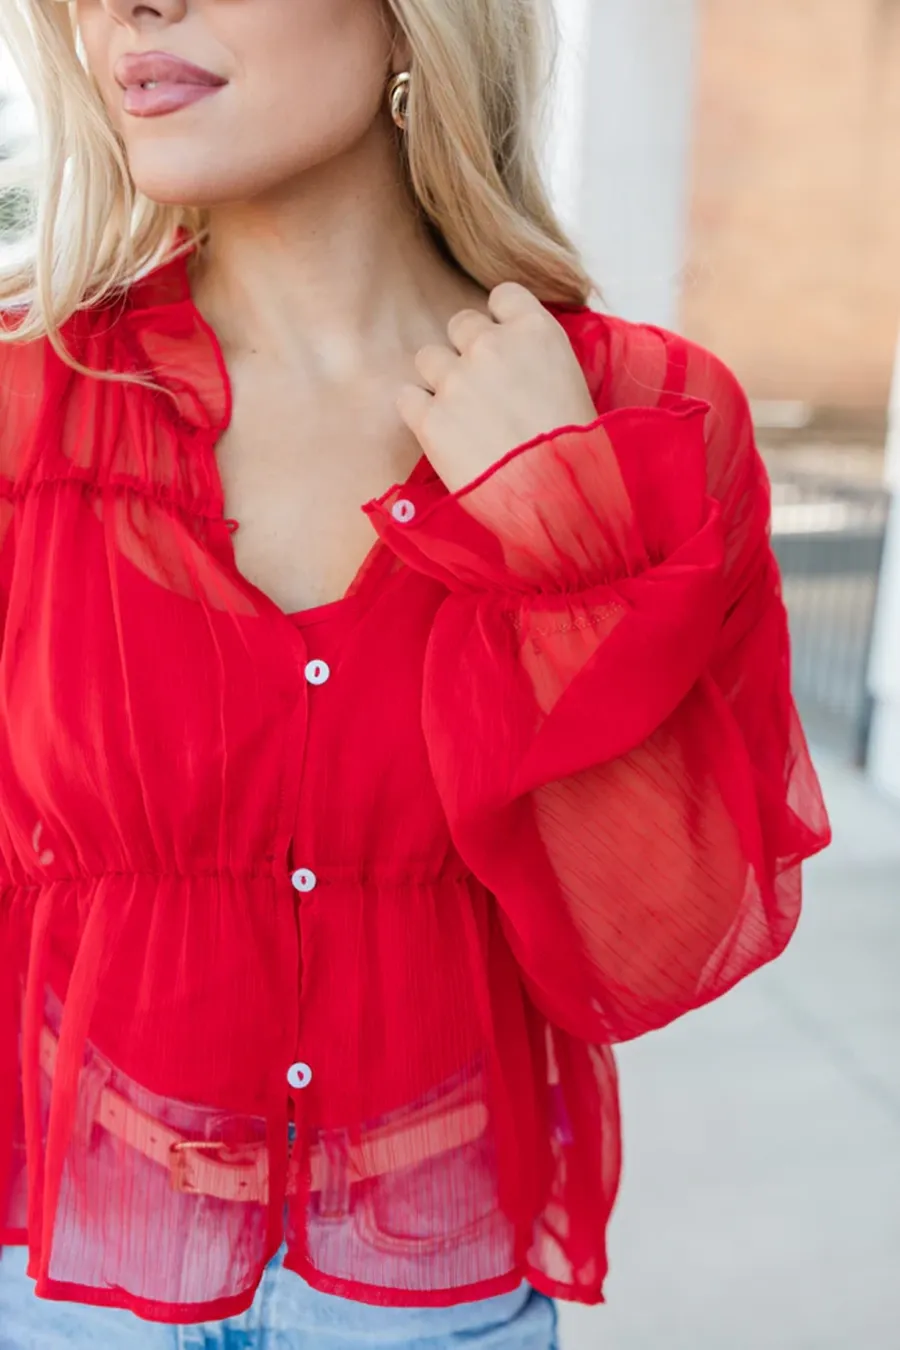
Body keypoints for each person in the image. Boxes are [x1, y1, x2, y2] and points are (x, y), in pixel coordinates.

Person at [0, 1, 831, 1347]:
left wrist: (557, 524)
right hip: (63, 1277)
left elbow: (662, 938)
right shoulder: (31, 410)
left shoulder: (645, 421)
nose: (132, 5)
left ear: (412, 26)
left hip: (425, 1295)